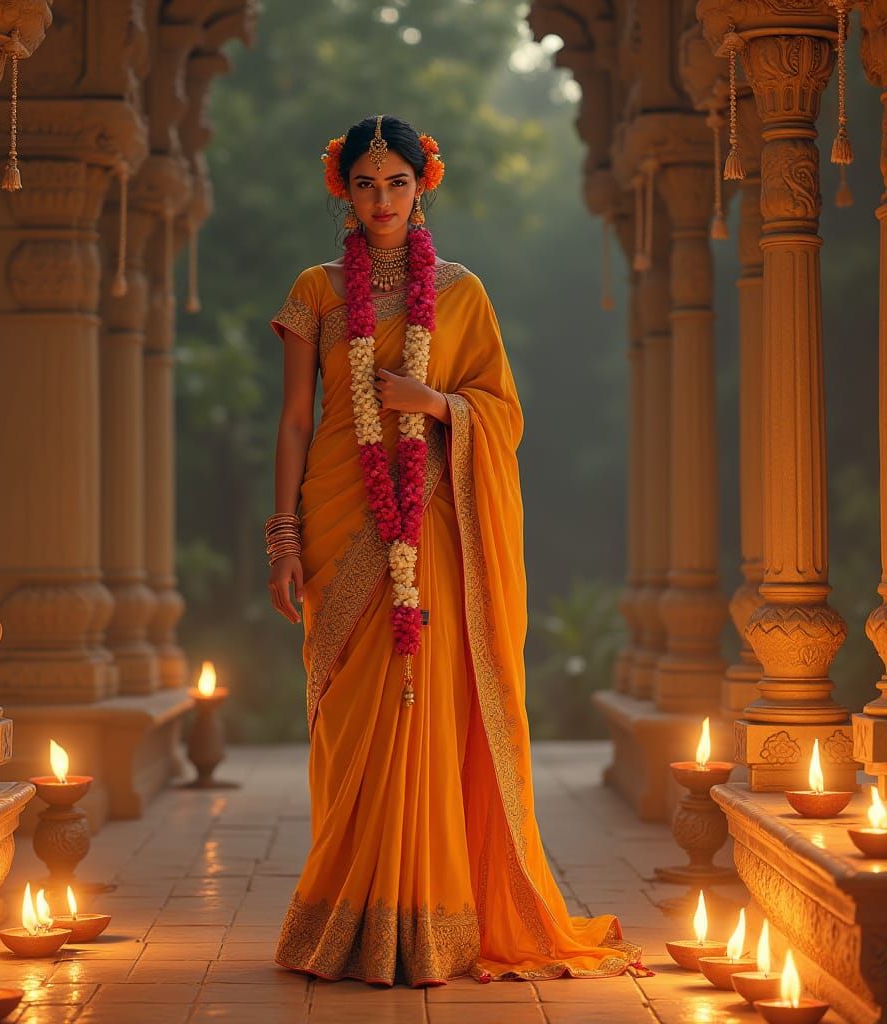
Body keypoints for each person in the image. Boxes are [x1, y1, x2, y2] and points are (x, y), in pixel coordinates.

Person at [266, 114, 642, 987]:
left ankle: (427, 919)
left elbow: (502, 414)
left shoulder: (463, 292)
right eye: (365, 183)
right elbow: (292, 421)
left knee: (424, 704)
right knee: (348, 716)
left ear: (423, 185)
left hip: (431, 517)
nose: (382, 199)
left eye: (397, 182)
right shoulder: (315, 292)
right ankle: (342, 916)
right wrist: (283, 538)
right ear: (343, 191)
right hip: (334, 519)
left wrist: (432, 403)